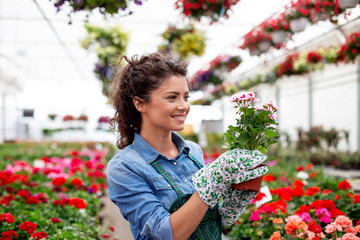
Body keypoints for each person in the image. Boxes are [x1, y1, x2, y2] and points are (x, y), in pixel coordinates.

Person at [106, 53, 268, 240]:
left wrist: (234, 203)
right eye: (172, 97)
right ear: (140, 103)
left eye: (186, 97)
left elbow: (207, 222)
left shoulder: (193, 151)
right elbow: (166, 233)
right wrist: (213, 178)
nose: (184, 106)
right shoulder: (125, 167)